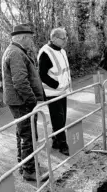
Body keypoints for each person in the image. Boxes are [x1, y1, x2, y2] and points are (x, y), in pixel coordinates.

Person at [2, 23, 48, 181]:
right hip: (22, 102)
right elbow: (20, 81)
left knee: (22, 133)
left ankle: (24, 164)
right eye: (30, 39)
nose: (31, 42)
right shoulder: (16, 53)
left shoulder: (16, 51)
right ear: (22, 38)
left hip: (19, 101)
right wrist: (32, 100)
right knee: (28, 135)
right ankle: (29, 170)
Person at [37, 27, 72, 156]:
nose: (66, 41)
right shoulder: (45, 52)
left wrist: (64, 85)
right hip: (53, 92)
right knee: (58, 118)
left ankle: (56, 140)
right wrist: (57, 85)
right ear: (54, 38)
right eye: (63, 38)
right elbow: (42, 74)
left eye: (66, 38)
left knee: (61, 118)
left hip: (63, 91)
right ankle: (63, 144)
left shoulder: (61, 51)